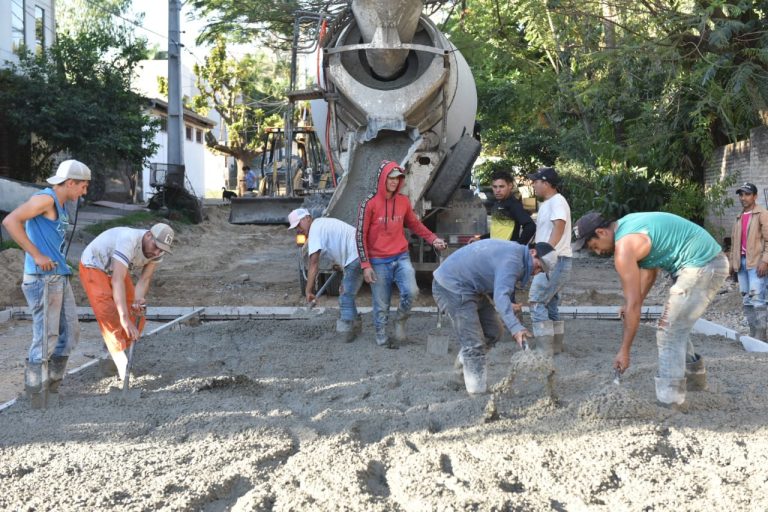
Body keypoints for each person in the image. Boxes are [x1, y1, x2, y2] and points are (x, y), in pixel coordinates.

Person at [572, 211, 729, 407]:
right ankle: (695, 380)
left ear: (601, 232)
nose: (597, 252)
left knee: (668, 331)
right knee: (676, 325)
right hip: (706, 262)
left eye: (594, 246)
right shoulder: (629, 226)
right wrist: (635, 301)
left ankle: (669, 400)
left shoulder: (624, 248)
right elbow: (649, 273)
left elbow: (634, 307)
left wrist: (624, 350)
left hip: (702, 265)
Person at [2, 159, 91, 405]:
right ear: (70, 182)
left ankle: (52, 388)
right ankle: (36, 395)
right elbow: (10, 221)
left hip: (58, 276)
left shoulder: (60, 205)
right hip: (42, 280)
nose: (84, 192)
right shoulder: (46, 200)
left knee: (70, 333)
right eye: (83, 187)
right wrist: (38, 255)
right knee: (46, 337)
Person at [432, 240, 558, 394]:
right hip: (451, 287)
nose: (536, 272)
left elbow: (493, 277)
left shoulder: (516, 256)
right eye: (538, 266)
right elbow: (500, 295)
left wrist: (505, 304)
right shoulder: (513, 261)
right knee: (474, 344)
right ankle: (476, 393)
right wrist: (516, 328)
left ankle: (461, 370)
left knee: (493, 331)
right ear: (532, 252)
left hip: (471, 287)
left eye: (541, 271)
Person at [357, 160, 447, 348]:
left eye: (398, 178)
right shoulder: (369, 204)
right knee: (381, 304)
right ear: (383, 179)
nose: (394, 182)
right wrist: (365, 265)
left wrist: (433, 239)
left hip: (400, 256)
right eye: (390, 178)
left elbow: (415, 224)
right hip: (378, 260)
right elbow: (360, 235)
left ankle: (400, 321)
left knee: (412, 292)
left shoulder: (403, 201)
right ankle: (381, 333)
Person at [79, 223, 175, 380]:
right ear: (149, 235)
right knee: (108, 312)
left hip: (116, 269)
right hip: (94, 264)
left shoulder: (157, 252)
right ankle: (120, 361)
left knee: (136, 314)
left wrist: (137, 301)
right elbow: (117, 280)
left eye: (162, 249)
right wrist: (123, 319)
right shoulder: (128, 240)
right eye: (156, 246)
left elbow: (144, 279)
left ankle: (113, 353)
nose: (157, 252)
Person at [288, 208, 364, 342]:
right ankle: (356, 325)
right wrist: (340, 263)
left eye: (298, 225)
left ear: (307, 218)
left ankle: (345, 333)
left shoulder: (315, 230)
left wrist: (308, 290)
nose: (298, 230)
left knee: (345, 294)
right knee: (347, 292)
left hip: (356, 254)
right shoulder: (320, 225)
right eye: (295, 228)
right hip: (358, 251)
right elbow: (336, 242)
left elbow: (313, 264)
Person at [526, 166, 572, 354]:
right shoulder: (547, 204)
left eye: (536, 181)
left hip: (555, 260)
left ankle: (544, 351)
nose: (534, 185)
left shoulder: (557, 202)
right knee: (550, 303)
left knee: (536, 301)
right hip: (555, 259)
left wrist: (546, 252)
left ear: (546, 183)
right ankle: (556, 348)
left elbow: (559, 227)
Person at [729, 182, 768, 340]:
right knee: (746, 299)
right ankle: (753, 332)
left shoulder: (762, 214)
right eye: (741, 194)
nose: (743, 198)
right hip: (742, 264)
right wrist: (732, 264)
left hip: (756, 263)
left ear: (755, 196)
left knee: (757, 298)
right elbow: (734, 243)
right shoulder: (739, 217)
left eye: (747, 194)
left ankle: (761, 334)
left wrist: (765, 261)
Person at [471, 170, 535, 244]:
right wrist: (480, 238)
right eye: (495, 187)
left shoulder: (513, 204)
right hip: (496, 250)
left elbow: (530, 226)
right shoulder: (497, 204)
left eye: (501, 186)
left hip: (507, 252)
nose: (497, 190)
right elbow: (496, 234)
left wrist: (518, 246)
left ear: (510, 186)